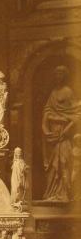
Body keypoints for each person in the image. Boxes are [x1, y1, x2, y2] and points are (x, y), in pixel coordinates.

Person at [42, 65, 81, 202]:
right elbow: (46, 112)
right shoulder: (53, 93)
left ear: (65, 76)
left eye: (60, 74)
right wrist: (46, 131)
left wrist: (67, 129)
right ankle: (52, 194)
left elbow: (77, 114)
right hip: (53, 135)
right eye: (56, 74)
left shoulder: (68, 92)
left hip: (64, 135)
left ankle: (64, 194)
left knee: (64, 162)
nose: (58, 76)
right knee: (53, 165)